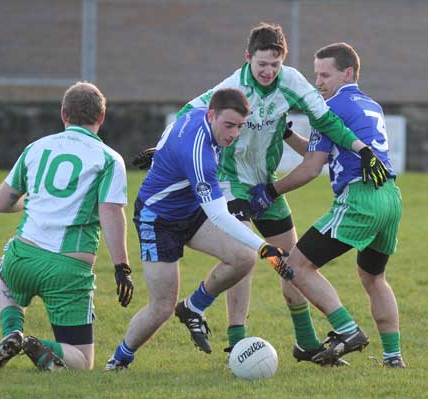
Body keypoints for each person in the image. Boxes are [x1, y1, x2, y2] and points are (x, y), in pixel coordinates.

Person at [134, 22, 385, 363]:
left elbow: (327, 122)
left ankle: (305, 343)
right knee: (243, 255)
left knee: (291, 261)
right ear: (247, 57)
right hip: (229, 180)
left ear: (284, 61)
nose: (268, 71)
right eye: (261, 64)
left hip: (266, 183)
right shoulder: (232, 87)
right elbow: (188, 114)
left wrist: (362, 149)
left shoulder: (293, 82)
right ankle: (236, 343)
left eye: (275, 64)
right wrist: (162, 148)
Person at [104, 88, 292, 370]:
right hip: (157, 220)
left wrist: (162, 154)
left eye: (240, 127)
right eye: (228, 125)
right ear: (212, 115)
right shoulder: (199, 154)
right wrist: (264, 246)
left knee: (243, 257)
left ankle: (193, 306)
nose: (233, 134)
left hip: (191, 210)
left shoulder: (194, 115)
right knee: (161, 308)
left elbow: (171, 135)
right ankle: (119, 360)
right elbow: (219, 214)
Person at [249, 42, 404, 368]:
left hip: (361, 199)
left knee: (296, 267)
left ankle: (348, 331)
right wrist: (289, 133)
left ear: (347, 73)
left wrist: (270, 191)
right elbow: (326, 151)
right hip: (390, 196)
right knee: (374, 278)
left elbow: (310, 167)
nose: (317, 82)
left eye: (325, 74)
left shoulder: (329, 109)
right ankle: (393, 358)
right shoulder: (369, 104)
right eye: (315, 74)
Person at [0, 81, 134, 371]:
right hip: (68, 270)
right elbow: (111, 212)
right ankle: (30, 344)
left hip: (22, 259)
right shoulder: (109, 159)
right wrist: (121, 268)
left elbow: (1, 203)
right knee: (81, 360)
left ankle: (11, 331)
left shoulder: (36, 147)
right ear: (101, 117)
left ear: (63, 114)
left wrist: (36, 201)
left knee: (5, 280)